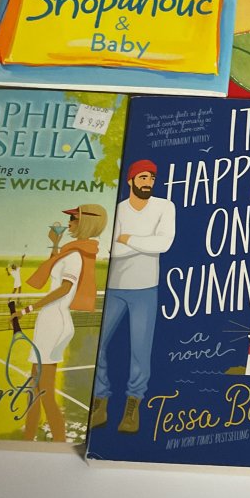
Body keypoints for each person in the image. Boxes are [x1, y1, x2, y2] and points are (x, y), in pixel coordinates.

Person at [90, 160, 176, 434]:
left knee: (140, 352)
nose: (148, 183)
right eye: (143, 178)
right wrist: (142, 242)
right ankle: (100, 401)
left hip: (146, 290)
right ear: (130, 181)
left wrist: (126, 238)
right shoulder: (118, 210)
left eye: (152, 178)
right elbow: (111, 250)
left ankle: (132, 407)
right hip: (114, 288)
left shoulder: (165, 207)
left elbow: (164, 243)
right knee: (98, 345)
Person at [19, 203, 108, 443]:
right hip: (50, 321)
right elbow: (54, 269)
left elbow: (65, 288)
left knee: (43, 390)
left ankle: (58, 441)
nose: (69, 223)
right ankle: (28, 437)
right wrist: (55, 243)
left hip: (53, 322)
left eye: (74, 219)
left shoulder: (77, 255)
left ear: (86, 223)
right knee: (35, 388)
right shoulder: (72, 251)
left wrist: (28, 309)